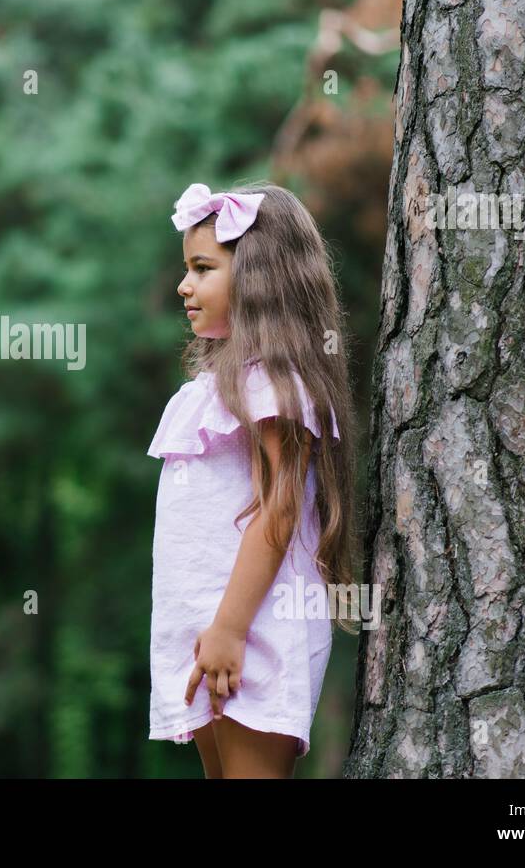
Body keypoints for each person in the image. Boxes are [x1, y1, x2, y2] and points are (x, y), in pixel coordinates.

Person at [148, 181, 360, 778]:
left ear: (258, 278)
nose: (183, 286)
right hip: (212, 632)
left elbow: (279, 509)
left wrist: (230, 629)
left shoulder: (275, 383)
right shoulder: (216, 389)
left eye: (203, 268)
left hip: (252, 629)